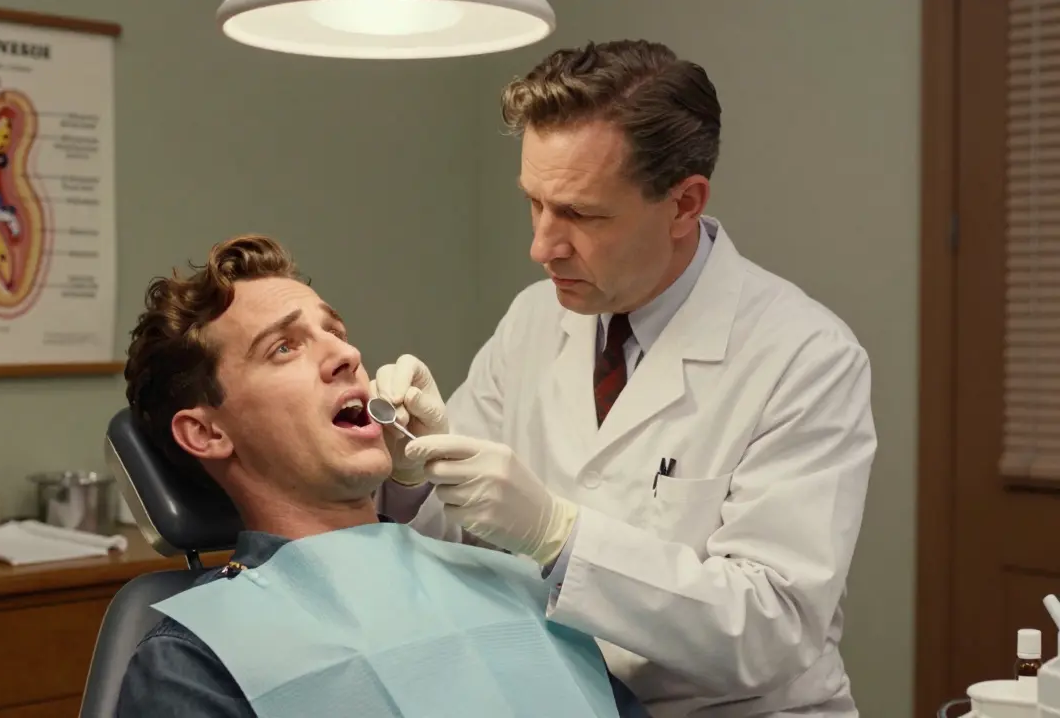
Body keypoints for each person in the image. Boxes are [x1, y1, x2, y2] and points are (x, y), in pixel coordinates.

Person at [372, 39, 876, 717]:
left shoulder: (805, 357)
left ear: (684, 204)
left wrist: (559, 535)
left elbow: (772, 626)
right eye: (534, 203)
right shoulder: (533, 321)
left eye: (580, 214)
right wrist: (413, 478)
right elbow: (464, 544)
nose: (542, 246)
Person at [114, 234, 648, 718]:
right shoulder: (195, 662)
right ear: (206, 434)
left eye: (335, 331)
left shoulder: (517, 583)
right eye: (284, 348)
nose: (346, 355)